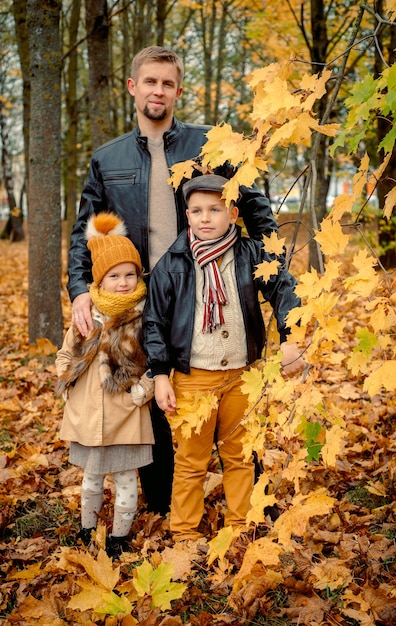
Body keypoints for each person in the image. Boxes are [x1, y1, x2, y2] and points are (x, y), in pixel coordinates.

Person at [66, 46, 278, 516]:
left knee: (230, 398)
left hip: (208, 289)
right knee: (155, 398)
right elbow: (86, 230)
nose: (157, 90)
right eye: (150, 82)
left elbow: (257, 210)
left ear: (178, 91)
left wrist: (269, 273)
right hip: (140, 299)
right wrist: (80, 289)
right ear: (133, 87)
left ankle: (253, 504)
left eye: (167, 83)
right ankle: (166, 506)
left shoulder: (209, 145)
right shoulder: (107, 158)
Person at [142, 174, 305, 543]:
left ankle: (240, 526)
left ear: (232, 213)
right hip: (192, 377)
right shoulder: (173, 263)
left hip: (240, 376)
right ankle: (184, 534)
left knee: (240, 455)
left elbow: (283, 288)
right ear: (187, 216)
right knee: (190, 461)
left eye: (214, 209)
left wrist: (290, 338)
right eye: (197, 211)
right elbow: (154, 321)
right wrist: (161, 375)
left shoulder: (250, 254)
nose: (205, 218)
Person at [56, 212, 155, 559]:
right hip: (88, 412)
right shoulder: (87, 316)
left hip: (125, 413)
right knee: (91, 480)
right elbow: (66, 351)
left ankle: (119, 536)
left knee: (127, 478)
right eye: (114, 276)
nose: (124, 282)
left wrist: (143, 391)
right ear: (100, 279)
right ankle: (88, 528)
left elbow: (154, 360)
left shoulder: (143, 316)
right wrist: (65, 380)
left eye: (130, 274)